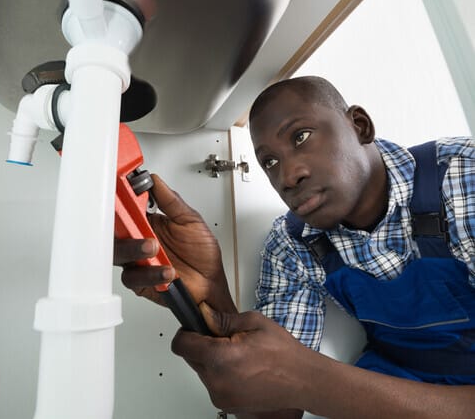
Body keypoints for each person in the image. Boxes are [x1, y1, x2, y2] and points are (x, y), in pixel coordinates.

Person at [114, 76, 475, 418]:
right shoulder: (292, 245)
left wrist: (311, 381)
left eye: (301, 136)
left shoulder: (463, 180)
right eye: (269, 162)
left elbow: (301, 383)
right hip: (393, 385)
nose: (287, 177)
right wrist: (208, 294)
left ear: (360, 126)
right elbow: (274, 410)